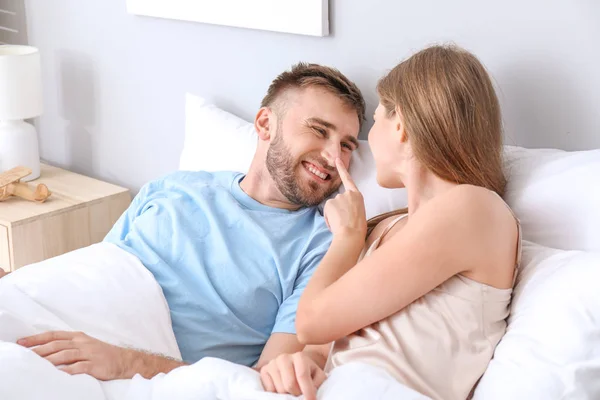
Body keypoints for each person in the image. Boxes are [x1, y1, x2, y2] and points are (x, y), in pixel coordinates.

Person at [14, 62, 366, 381]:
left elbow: (263, 381)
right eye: (319, 131)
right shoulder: (173, 187)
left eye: (347, 146)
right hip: (55, 324)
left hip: (131, 374)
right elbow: (101, 272)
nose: (334, 157)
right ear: (264, 125)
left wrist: (126, 363)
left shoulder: (319, 248)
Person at [259, 44, 521, 400]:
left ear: (402, 126)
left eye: (379, 117)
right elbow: (318, 346)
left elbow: (310, 321)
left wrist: (347, 240)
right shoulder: (386, 227)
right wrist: (296, 365)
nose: (367, 140)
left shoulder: (475, 209)